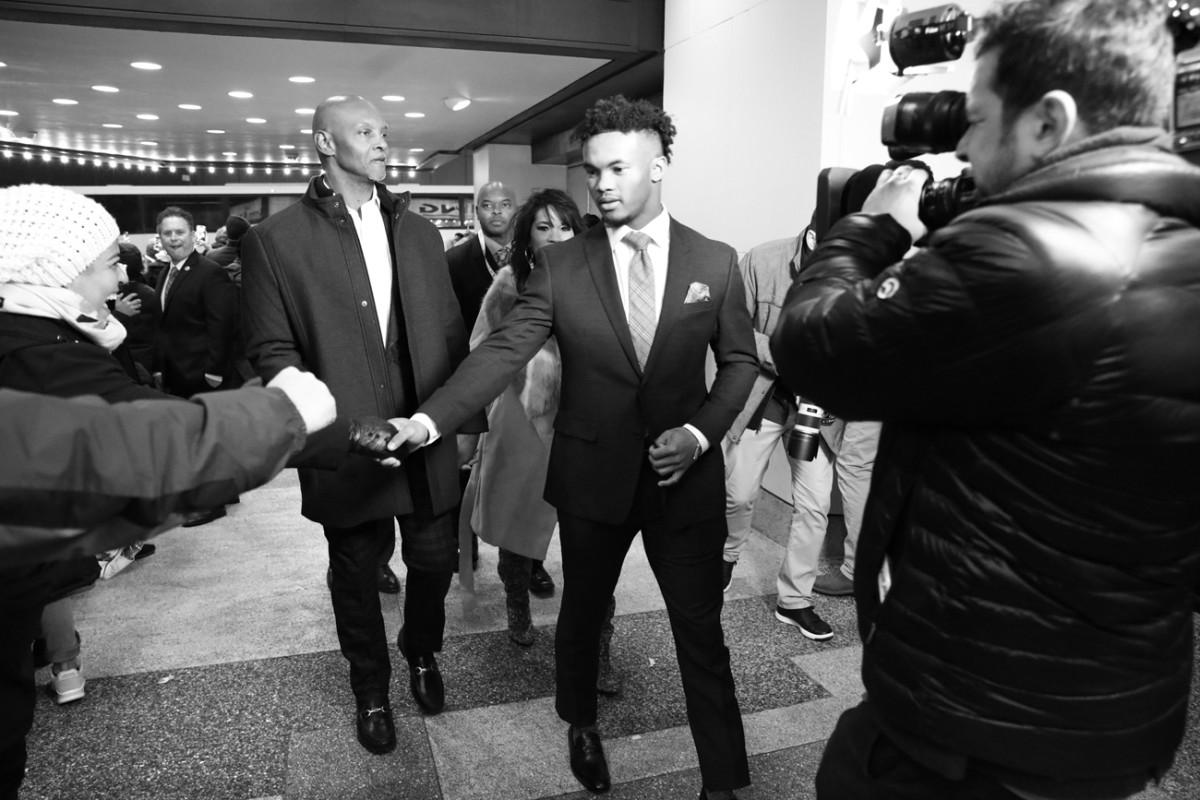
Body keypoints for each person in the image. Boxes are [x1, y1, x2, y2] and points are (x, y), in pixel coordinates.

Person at [769, 2, 1200, 798]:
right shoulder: (1177, 244)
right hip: (1109, 716)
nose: (961, 144)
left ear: (1049, 123)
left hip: (973, 724)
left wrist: (872, 230)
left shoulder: (1030, 252)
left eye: (977, 120)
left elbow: (811, 347)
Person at [392, 95, 757, 800]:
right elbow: (501, 352)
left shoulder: (715, 259)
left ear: (658, 165)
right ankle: (580, 724)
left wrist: (699, 432)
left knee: (701, 633)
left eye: (618, 167)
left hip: (686, 478)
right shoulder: (562, 267)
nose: (604, 184)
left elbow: (740, 361)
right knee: (583, 613)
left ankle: (723, 780)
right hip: (592, 473)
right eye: (594, 172)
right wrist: (430, 422)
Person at [0, 182, 338, 800]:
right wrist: (284, 413)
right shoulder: (40, 354)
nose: (115, 281)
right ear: (58, 269)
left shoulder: (39, 337)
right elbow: (139, 452)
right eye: (107, 266)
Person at [240, 95, 485, 757]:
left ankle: (422, 650)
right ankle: (370, 687)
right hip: (347, 442)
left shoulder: (419, 231)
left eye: (384, 130)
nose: (383, 141)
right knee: (354, 572)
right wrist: (344, 428)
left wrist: (463, 422)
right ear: (325, 142)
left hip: (424, 432)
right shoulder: (275, 240)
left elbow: (450, 333)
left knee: (434, 561)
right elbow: (272, 353)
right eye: (365, 131)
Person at [462, 188, 622, 692]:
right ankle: (517, 609)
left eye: (565, 226)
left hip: (588, 421)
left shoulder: (602, 279)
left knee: (595, 541)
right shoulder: (511, 282)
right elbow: (481, 347)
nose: (555, 236)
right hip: (524, 419)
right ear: (527, 235)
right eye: (543, 227)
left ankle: (601, 649)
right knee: (517, 526)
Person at [720, 232, 878, 642]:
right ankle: (727, 553)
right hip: (766, 395)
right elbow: (730, 325)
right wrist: (786, 353)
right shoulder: (762, 260)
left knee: (814, 506)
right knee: (738, 493)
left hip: (818, 408)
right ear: (812, 237)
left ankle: (794, 599)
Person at [446, 181, 518, 332]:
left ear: (516, 210)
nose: (496, 211)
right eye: (487, 206)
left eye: (505, 205)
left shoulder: (533, 255)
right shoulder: (453, 260)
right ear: (477, 212)